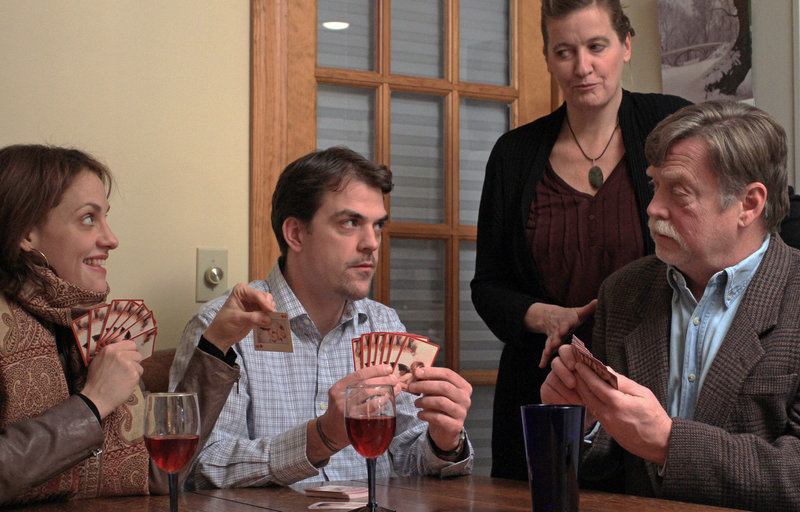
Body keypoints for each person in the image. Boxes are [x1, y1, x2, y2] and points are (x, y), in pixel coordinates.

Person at [470, 0, 691, 481]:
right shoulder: (514, 154)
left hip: (653, 386)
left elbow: (743, 212)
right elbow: (487, 285)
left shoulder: (671, 123)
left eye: (597, 46)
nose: (583, 67)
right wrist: (548, 316)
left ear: (626, 46)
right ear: (548, 58)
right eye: (564, 51)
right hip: (544, 384)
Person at [542, 100, 800, 511]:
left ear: (749, 204)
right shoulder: (623, 292)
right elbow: (607, 472)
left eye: (678, 192)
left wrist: (668, 442)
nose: (653, 207)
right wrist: (586, 424)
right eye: (654, 184)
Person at [169, 146, 474, 489]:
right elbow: (198, 470)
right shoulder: (225, 327)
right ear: (296, 234)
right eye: (350, 223)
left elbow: (408, 457)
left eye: (378, 226)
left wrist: (444, 441)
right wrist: (321, 437)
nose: (371, 243)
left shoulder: (384, 324)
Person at [0, 144, 276, 506]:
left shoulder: (92, 324)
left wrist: (217, 342)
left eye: (106, 218)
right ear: (26, 233)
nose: (111, 239)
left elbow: (161, 474)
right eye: (88, 218)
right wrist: (93, 402)